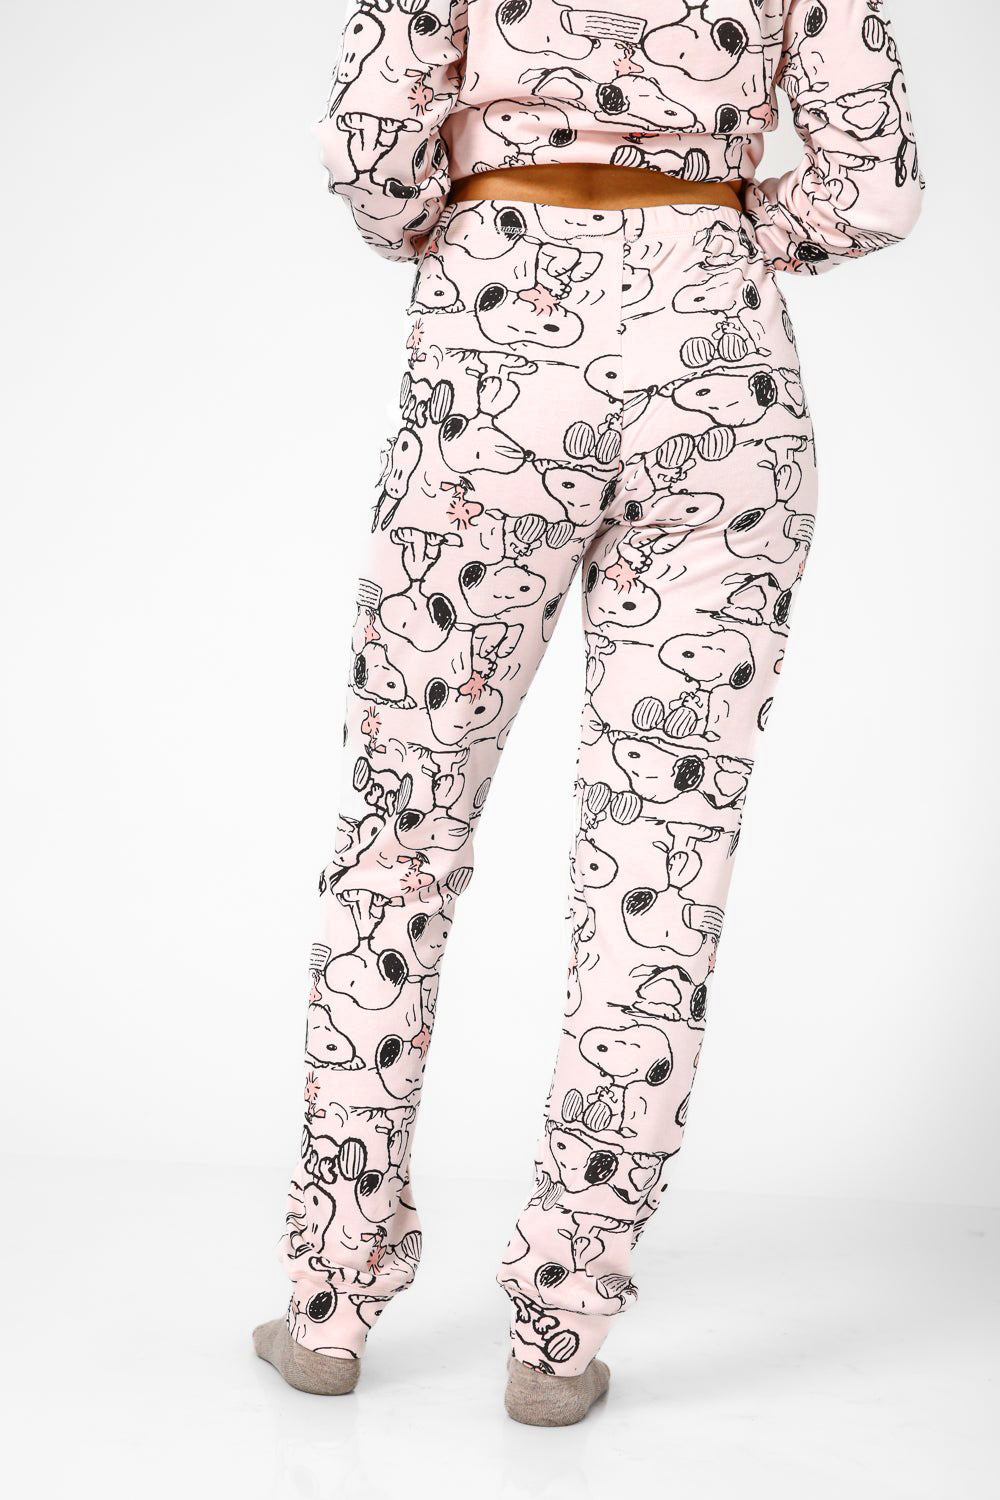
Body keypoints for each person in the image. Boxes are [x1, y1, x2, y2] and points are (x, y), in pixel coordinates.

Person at [253, 0, 922, 1426]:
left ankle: (328, 1305)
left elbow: (371, 150)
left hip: (497, 363)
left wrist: (466, 224)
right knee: (660, 866)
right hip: (721, 377)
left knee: (400, 840)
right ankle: (560, 1337)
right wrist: (717, 231)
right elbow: (872, 184)